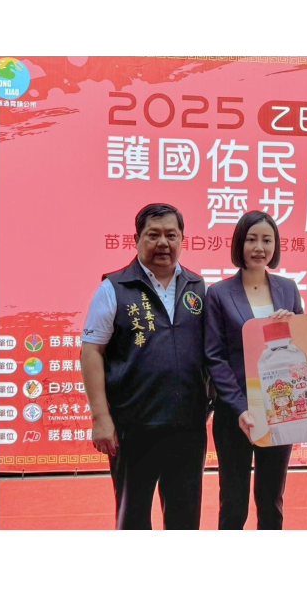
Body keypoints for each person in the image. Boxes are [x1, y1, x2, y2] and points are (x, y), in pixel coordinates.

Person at [80, 203, 210, 530]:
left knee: (184, 519)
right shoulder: (114, 288)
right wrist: (100, 418)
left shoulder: (198, 287)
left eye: (171, 235)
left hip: (187, 426)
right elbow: (92, 351)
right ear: (136, 239)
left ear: (182, 239)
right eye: (153, 235)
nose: (163, 243)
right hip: (132, 426)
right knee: (133, 519)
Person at [204, 210, 304, 529]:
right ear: (239, 244)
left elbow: (302, 347)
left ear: (275, 246)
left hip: (281, 407)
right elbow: (215, 356)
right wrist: (240, 408)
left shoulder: (288, 289)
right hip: (235, 414)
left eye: (267, 240)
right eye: (251, 239)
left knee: (271, 499)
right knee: (233, 502)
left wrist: (294, 326)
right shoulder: (218, 293)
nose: (259, 248)